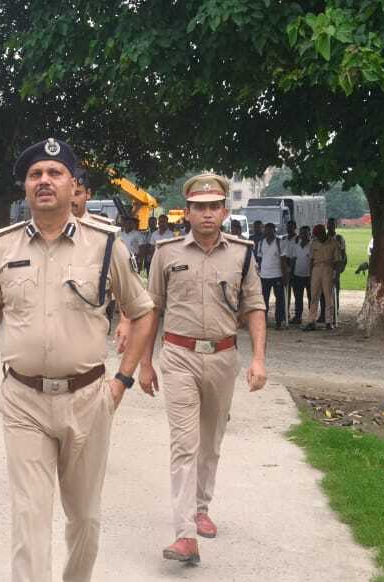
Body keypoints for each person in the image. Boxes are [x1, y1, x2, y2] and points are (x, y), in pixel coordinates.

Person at [0, 137, 155, 582]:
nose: (44, 180)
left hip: (87, 400)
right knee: (29, 518)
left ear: (72, 184)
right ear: (26, 187)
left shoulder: (106, 246)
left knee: (84, 517)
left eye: (54, 173)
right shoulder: (2, 248)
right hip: (23, 400)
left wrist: (121, 381)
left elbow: (142, 313)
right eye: (35, 175)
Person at [137, 172, 268, 564]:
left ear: (225, 211)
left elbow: (255, 307)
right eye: (199, 207)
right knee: (184, 443)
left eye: (214, 206)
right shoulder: (166, 253)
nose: (207, 213)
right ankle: (184, 534)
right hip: (179, 356)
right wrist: (144, 363)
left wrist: (258, 359)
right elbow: (151, 309)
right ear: (187, 212)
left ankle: (201, 508)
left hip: (223, 357)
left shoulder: (242, 254)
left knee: (210, 442)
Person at [304, 224, 343, 331]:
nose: (318, 237)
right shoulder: (314, 243)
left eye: (319, 234)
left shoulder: (334, 243)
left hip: (328, 269)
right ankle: (311, 321)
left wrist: (336, 275)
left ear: (324, 232)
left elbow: (338, 261)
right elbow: (311, 260)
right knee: (314, 296)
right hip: (316, 269)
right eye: (316, 235)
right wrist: (310, 274)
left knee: (328, 296)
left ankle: (329, 321)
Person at [254, 221, 290, 329]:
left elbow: (283, 261)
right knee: (263, 300)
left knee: (279, 300)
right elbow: (259, 259)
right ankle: (263, 320)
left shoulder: (280, 242)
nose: (268, 232)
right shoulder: (261, 243)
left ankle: (279, 321)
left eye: (270, 230)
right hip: (264, 276)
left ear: (274, 231)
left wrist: (285, 276)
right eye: (266, 230)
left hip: (277, 275)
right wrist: (258, 273)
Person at [315, 217, 347, 325]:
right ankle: (323, 315)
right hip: (323, 269)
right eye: (329, 224)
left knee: (334, 293)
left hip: (334, 269)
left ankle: (334, 315)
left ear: (335, 226)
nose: (330, 226)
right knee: (322, 294)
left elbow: (343, 254)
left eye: (332, 224)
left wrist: (340, 268)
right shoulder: (323, 237)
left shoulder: (339, 238)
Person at [287, 225, 312, 325]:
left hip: (309, 276)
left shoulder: (312, 246)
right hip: (297, 275)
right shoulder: (296, 246)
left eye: (306, 233)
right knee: (298, 298)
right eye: (302, 233)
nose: (303, 235)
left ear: (309, 234)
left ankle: (311, 318)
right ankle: (298, 317)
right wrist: (291, 273)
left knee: (311, 298)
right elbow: (293, 260)